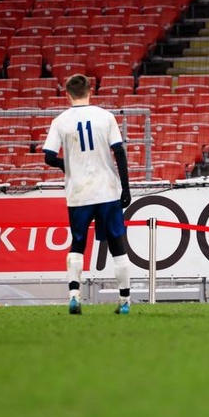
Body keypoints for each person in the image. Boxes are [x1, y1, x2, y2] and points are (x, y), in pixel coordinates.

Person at [43, 73, 133, 315]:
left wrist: (66, 165)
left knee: (78, 243)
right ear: (90, 91)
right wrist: (126, 187)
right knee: (116, 243)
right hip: (107, 191)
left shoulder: (61, 121)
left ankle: (74, 296)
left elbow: (48, 156)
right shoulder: (105, 117)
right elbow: (120, 152)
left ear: (67, 94)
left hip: (79, 193)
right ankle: (124, 302)